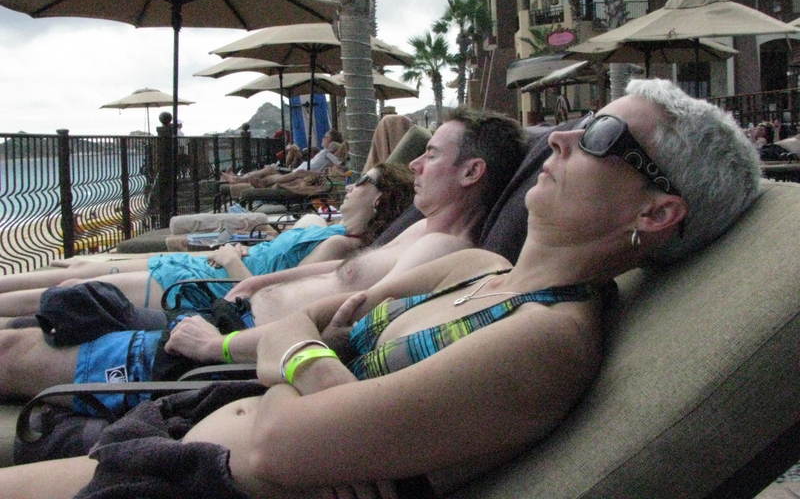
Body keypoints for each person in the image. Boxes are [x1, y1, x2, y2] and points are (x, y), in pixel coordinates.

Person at [0, 79, 762, 498]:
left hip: (201, 484)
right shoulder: (478, 271)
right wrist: (316, 370)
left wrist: (300, 352)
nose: (560, 138)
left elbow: (278, 444)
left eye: (600, 136)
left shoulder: (546, 340)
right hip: (183, 431)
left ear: (655, 212)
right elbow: (305, 333)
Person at [0, 108, 527, 409]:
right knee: (56, 311)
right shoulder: (423, 230)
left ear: (471, 172)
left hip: (227, 355)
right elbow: (339, 270)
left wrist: (215, 345)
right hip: (227, 317)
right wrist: (262, 281)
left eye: (430, 154)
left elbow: (345, 324)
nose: (414, 164)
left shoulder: (447, 252)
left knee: (13, 348)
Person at [0, 162, 415, 320]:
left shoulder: (342, 248)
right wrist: (252, 246)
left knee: (74, 285)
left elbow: (272, 297)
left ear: (380, 198)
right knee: (76, 267)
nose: (350, 185)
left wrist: (233, 257)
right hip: (202, 268)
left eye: (362, 181)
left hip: (203, 286)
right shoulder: (333, 229)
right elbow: (283, 252)